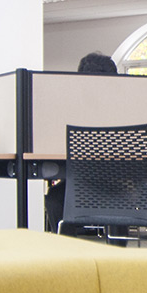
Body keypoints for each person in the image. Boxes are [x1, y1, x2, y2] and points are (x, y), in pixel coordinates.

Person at [46, 53, 120, 231]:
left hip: (114, 184)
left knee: (56, 197)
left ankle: (70, 249)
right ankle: (69, 245)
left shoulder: (122, 109)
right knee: (55, 197)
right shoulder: (71, 110)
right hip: (91, 182)